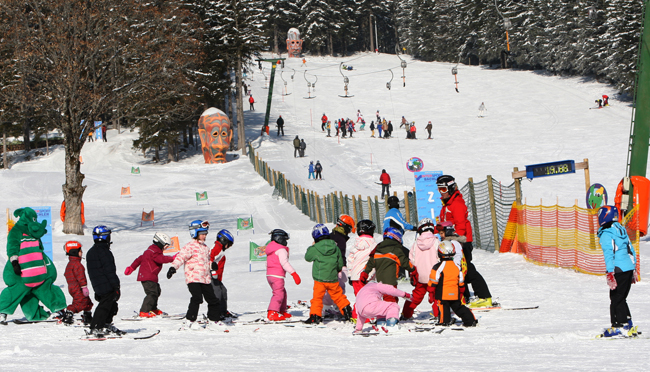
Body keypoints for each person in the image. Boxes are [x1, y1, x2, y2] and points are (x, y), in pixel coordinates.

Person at [437, 174, 492, 307]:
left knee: (467, 269)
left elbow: (460, 225)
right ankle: (464, 297)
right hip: (451, 243)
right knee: (458, 270)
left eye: (443, 189)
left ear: (450, 188)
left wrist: (457, 243)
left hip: (461, 243)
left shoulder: (456, 204)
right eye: (439, 189)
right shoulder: (446, 205)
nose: (441, 192)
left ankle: (485, 296)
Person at [167, 220, 222, 330]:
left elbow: (206, 262)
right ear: (195, 233)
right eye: (202, 234)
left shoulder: (206, 248)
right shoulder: (190, 247)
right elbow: (180, 257)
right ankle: (190, 320)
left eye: (205, 234)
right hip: (193, 278)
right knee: (197, 298)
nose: (204, 236)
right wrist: (173, 267)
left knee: (212, 299)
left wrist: (213, 265)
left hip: (205, 279)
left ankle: (213, 320)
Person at [597, 206, 638, 337]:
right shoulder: (620, 229)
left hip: (618, 269)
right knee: (621, 297)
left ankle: (618, 326)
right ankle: (628, 323)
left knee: (615, 298)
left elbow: (609, 254)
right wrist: (634, 266)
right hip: (628, 267)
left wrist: (610, 272)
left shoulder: (606, 233)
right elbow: (630, 248)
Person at [304, 224, 353, 324]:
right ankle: (347, 311)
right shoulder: (335, 247)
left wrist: (312, 246)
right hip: (332, 278)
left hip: (319, 279)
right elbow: (340, 263)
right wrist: (337, 270)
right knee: (338, 296)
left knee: (317, 298)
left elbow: (307, 257)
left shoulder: (316, 248)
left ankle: (315, 316)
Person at [124, 232, 175, 318]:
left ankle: (153, 308)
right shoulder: (154, 252)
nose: (165, 248)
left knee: (157, 291)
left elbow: (139, 259)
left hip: (151, 276)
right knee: (152, 293)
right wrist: (172, 258)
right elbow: (161, 259)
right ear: (160, 242)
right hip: (147, 276)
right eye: (165, 245)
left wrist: (132, 268)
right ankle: (144, 311)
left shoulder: (151, 251)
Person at [428, 241, 477, 327]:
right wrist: (461, 291)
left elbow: (433, 281)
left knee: (443, 307)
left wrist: (431, 292)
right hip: (455, 292)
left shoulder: (437, 267)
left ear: (439, 253)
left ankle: (444, 321)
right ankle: (470, 320)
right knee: (458, 307)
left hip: (442, 293)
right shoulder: (457, 266)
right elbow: (461, 281)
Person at [359, 228, 414, 304]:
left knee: (388, 298)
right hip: (390, 281)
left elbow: (370, 262)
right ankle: (389, 315)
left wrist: (364, 273)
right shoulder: (396, 249)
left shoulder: (377, 248)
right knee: (391, 300)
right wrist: (413, 268)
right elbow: (405, 263)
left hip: (380, 282)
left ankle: (387, 313)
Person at [87, 225, 124, 336]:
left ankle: (105, 324)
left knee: (111, 305)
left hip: (97, 284)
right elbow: (110, 271)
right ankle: (96, 327)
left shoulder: (91, 252)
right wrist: (116, 286)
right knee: (105, 306)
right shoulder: (105, 252)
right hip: (107, 284)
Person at [401, 219, 440, 321]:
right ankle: (438, 314)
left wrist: (412, 274)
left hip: (420, 276)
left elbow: (411, 260)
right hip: (434, 275)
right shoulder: (436, 241)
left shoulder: (416, 244)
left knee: (416, 296)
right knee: (437, 295)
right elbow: (440, 257)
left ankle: (406, 313)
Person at [322, 215, 355, 314]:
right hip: (336, 267)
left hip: (325, 266)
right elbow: (341, 254)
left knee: (327, 287)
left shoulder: (331, 235)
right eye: (349, 229)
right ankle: (338, 306)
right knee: (339, 286)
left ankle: (326, 306)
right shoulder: (341, 239)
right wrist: (343, 267)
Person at [265, 229, 301, 321]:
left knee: (282, 292)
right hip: (277, 276)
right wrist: (294, 273)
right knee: (278, 294)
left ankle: (281, 310)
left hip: (270, 275)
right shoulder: (281, 250)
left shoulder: (271, 249)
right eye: (285, 239)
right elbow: (284, 263)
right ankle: (272, 312)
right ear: (280, 238)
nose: (286, 242)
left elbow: (267, 263)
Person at [347, 219, 377, 320]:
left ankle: (357, 316)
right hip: (366, 276)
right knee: (368, 297)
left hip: (355, 276)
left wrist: (350, 275)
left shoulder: (356, 244)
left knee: (360, 297)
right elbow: (375, 259)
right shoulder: (373, 244)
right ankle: (365, 317)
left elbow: (350, 260)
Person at [63, 240, 93, 325]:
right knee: (80, 302)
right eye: (80, 251)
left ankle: (87, 316)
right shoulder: (77, 265)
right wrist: (84, 287)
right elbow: (81, 277)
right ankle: (69, 313)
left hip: (72, 287)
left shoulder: (71, 263)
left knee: (87, 301)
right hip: (78, 287)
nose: (82, 252)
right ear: (74, 252)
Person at [210, 229, 236, 319]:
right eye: (229, 244)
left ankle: (223, 311)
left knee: (223, 291)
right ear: (224, 240)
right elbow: (210, 257)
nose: (228, 247)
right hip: (212, 276)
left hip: (217, 277)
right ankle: (216, 313)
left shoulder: (219, 249)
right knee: (217, 294)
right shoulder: (217, 248)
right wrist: (212, 270)